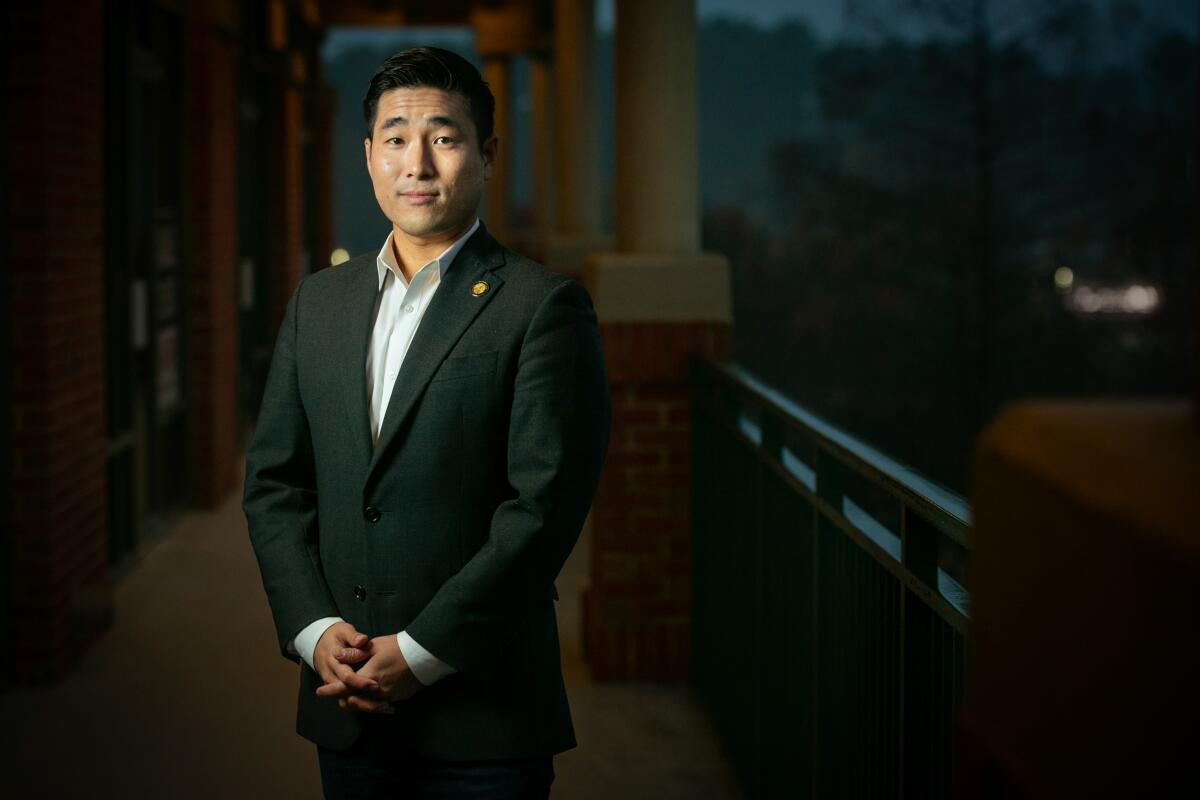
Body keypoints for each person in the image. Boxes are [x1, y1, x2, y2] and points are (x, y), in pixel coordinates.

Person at [243, 46, 610, 800]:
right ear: (369, 155)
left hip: (484, 719)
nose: (418, 162)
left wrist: (419, 652)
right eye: (396, 138)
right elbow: (275, 484)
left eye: (443, 137)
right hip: (344, 705)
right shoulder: (319, 303)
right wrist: (313, 632)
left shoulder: (542, 309)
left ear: (486, 154)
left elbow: (541, 513)